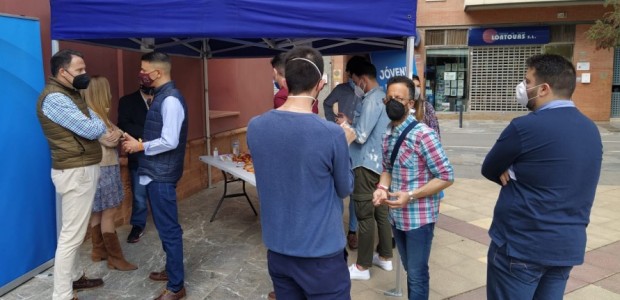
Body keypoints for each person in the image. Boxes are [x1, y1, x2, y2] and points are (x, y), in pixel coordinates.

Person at [481, 54, 603, 300]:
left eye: (527, 82)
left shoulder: (525, 127)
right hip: (566, 247)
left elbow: (489, 167)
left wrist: (509, 169)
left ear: (544, 88)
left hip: (522, 245)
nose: (523, 88)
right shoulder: (591, 129)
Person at [247, 46, 356, 299]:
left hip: (279, 249)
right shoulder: (331, 134)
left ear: (285, 79)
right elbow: (345, 187)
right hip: (320, 255)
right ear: (320, 84)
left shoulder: (255, 126)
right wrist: (345, 145)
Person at [372, 76, 454, 300]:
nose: (393, 103)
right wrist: (381, 188)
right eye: (389, 98)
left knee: (417, 274)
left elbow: (447, 176)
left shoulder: (423, 135)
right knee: (410, 268)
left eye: (398, 98)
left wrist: (411, 195)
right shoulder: (387, 134)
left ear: (410, 103)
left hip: (419, 219)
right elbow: (387, 169)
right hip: (397, 216)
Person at [37, 49, 107, 300]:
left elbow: (92, 120)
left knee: (74, 231)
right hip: (76, 171)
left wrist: (96, 120)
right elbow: (92, 128)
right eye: (79, 70)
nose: (84, 74)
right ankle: (63, 295)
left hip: (80, 168)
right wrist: (99, 123)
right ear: (62, 72)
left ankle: (75, 279)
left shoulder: (70, 93)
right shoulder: (55, 98)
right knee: (71, 236)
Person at [122, 51, 188, 300]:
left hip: (162, 174)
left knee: (169, 229)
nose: (141, 75)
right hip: (155, 171)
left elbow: (170, 141)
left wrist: (140, 147)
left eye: (143, 70)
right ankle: (173, 270)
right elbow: (159, 134)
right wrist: (139, 141)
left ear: (157, 73)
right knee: (164, 228)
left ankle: (176, 286)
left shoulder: (170, 99)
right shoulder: (162, 96)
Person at [338, 61, 392, 281]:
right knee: (381, 213)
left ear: (361, 79)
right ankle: (385, 257)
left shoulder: (371, 100)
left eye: (352, 79)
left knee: (364, 215)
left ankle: (362, 266)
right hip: (379, 165)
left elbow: (360, 136)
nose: (353, 84)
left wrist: (344, 126)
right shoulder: (381, 98)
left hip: (365, 165)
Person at [83, 76, 137, 271]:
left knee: (98, 211)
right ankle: (116, 258)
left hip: (99, 168)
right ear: (101, 93)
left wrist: (117, 133)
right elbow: (110, 140)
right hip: (105, 169)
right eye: (108, 91)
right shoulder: (94, 117)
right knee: (109, 212)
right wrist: (116, 135)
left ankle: (99, 251)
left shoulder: (95, 115)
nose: (111, 95)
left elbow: (118, 132)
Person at [323, 55, 367, 250]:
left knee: (356, 189)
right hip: (341, 143)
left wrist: (351, 122)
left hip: (359, 144)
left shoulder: (366, 93)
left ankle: (352, 231)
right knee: (339, 187)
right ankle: (333, 227)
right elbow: (326, 103)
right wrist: (332, 120)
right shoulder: (341, 90)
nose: (354, 80)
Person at [118, 84, 153, 243]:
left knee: (162, 192)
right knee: (139, 195)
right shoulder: (127, 101)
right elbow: (123, 125)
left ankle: (164, 222)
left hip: (161, 158)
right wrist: (149, 135)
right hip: (138, 157)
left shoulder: (164, 100)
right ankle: (138, 225)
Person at [411, 75, 440, 139]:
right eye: (413, 86)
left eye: (418, 86)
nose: (416, 89)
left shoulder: (427, 107)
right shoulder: (402, 107)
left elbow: (435, 131)